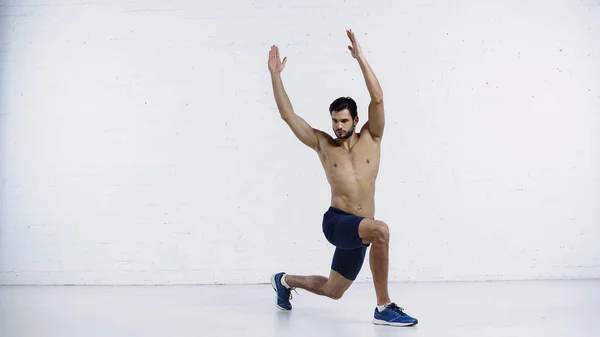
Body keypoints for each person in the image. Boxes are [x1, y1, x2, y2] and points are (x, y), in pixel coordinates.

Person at [267, 29, 418, 327]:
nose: (338, 126)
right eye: (334, 120)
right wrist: (275, 76)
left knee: (333, 290)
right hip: (337, 223)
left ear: (355, 120)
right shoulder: (323, 145)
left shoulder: (372, 137)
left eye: (343, 120)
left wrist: (360, 58)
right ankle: (383, 306)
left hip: (359, 231)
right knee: (382, 231)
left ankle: (283, 281)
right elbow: (289, 116)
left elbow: (378, 97)